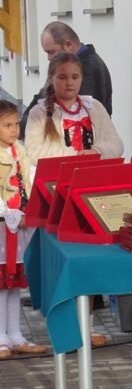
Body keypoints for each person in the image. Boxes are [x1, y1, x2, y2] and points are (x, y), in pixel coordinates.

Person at [23, 52, 123, 348]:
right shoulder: (40, 112)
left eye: (75, 77)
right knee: (61, 263)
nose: (69, 83)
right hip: (56, 195)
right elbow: (35, 151)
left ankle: (86, 326)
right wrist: (76, 155)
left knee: (86, 261)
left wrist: (98, 151)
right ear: (52, 78)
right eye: (63, 77)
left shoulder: (94, 107)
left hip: (91, 191)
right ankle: (63, 327)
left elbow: (115, 143)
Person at [0, 100, 48, 359]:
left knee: (13, 284)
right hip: (2, 227)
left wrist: (33, 206)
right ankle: (0, 337)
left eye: (16, 124)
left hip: (18, 227)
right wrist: (11, 214)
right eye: (7, 125)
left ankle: (15, 335)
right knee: (0, 283)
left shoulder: (19, 151)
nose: (14, 129)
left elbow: (29, 179)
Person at [20, 21, 114, 138]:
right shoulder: (66, 66)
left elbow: (78, 117)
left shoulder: (89, 70)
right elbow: (41, 96)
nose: (49, 58)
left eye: (51, 52)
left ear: (68, 45)